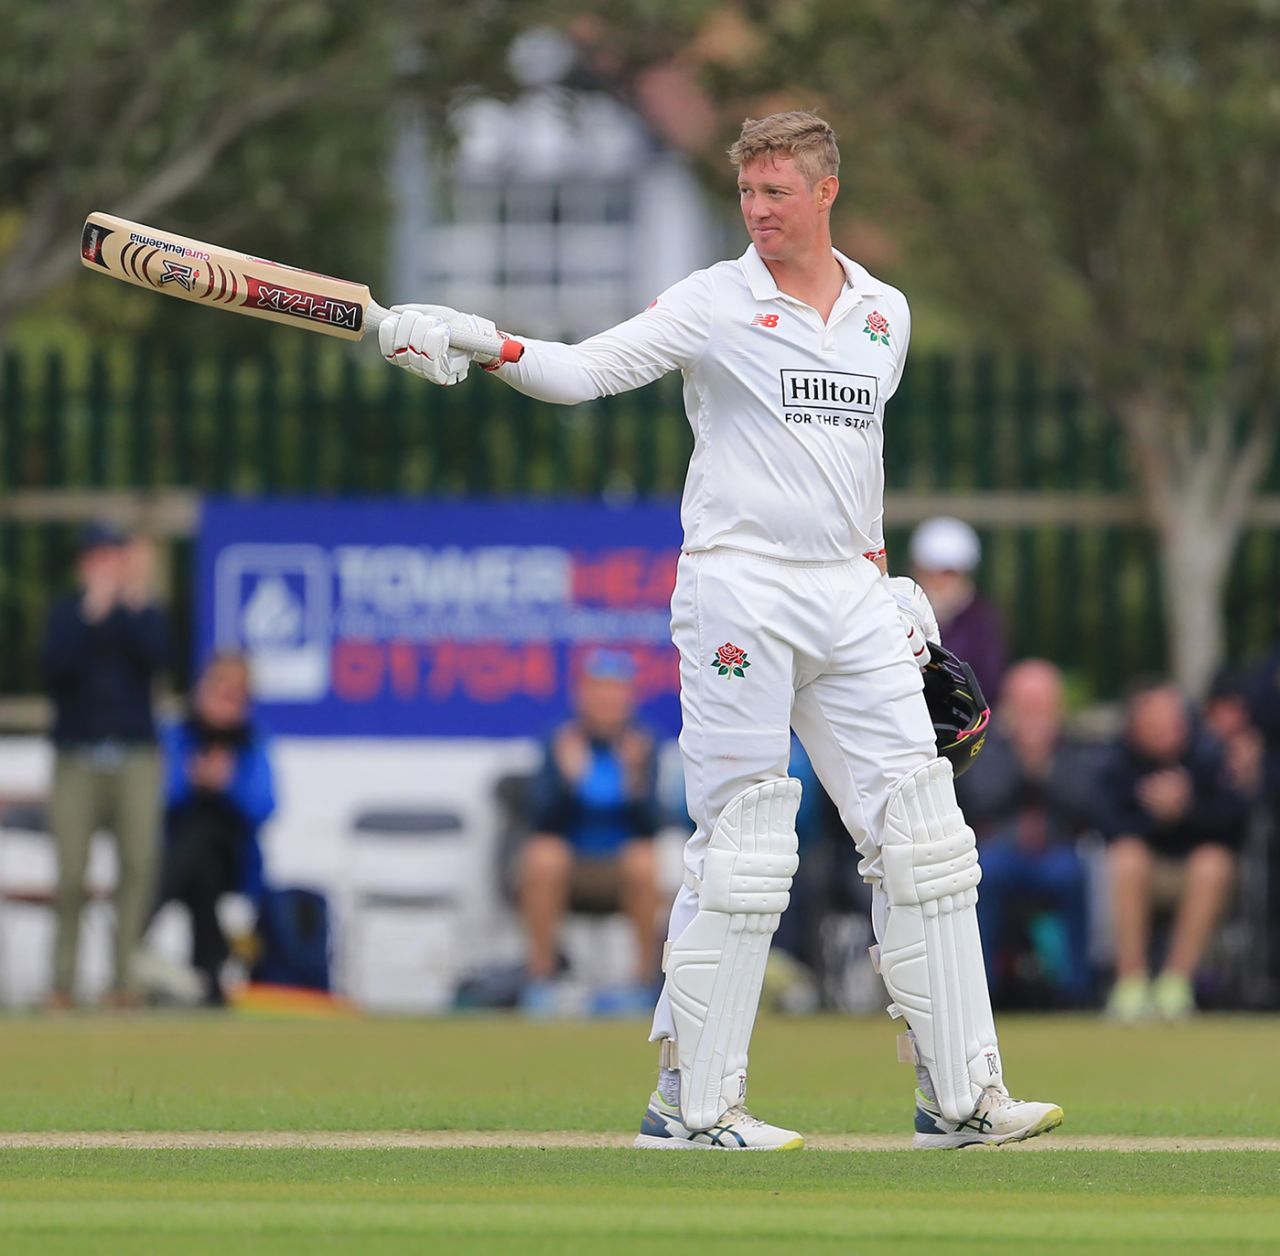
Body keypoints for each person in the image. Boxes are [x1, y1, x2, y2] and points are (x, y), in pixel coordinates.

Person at [377, 111, 1060, 1150]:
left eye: (776, 193)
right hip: (738, 589)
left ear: (825, 190)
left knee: (924, 838)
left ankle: (958, 1098)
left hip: (847, 591)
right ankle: (691, 1105)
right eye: (747, 194)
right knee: (742, 843)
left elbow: (848, 466)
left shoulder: (884, 313)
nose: (758, 212)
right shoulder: (714, 299)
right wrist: (485, 343)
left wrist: (887, 588)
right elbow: (582, 370)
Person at [40, 522, 168, 1008]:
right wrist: (90, 615)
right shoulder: (66, 615)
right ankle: (62, 981)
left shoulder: (143, 612)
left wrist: (132, 608)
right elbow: (55, 669)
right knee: (71, 873)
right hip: (77, 759)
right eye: (97, 557)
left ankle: (124, 980)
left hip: (133, 755)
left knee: (137, 867)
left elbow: (158, 659)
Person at [1096, 680, 1250, 1020]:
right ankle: (1130, 984)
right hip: (1142, 872)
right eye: (1155, 726)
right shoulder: (1117, 760)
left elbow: (1234, 821)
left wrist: (1186, 809)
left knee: (1213, 863)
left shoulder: (1209, 754)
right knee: (1127, 856)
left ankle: (1176, 984)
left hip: (1196, 875)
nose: (1167, 733)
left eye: (1173, 724)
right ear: (1136, 727)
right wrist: (1155, 812)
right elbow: (1107, 824)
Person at [518, 650, 662, 1014]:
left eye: (615, 693)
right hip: (571, 865)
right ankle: (540, 977)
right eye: (598, 692)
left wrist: (635, 782)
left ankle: (644, 982)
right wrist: (568, 780)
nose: (606, 702)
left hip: (619, 869)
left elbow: (653, 825)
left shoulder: (642, 745)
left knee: (644, 860)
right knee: (542, 857)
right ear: (582, 695)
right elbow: (539, 819)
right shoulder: (560, 741)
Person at [956, 660, 1096, 1006]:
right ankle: (980, 990)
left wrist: (1044, 768)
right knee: (983, 875)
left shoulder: (1075, 749)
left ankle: (1076, 990)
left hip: (1056, 850)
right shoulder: (986, 745)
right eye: (1026, 706)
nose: (1034, 716)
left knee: (1074, 875)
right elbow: (981, 801)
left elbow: (1085, 805)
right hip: (1001, 849)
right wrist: (1023, 761)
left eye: (1042, 706)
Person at [154, 653, 276, 1005]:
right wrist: (192, 781)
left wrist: (228, 784)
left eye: (235, 696)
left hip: (233, 862)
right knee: (198, 851)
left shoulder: (252, 742)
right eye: (220, 692)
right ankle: (209, 976)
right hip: (181, 860)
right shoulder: (178, 736)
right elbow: (159, 799)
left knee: (203, 842)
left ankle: (135, 935)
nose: (226, 703)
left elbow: (265, 806)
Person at [909, 516, 1007, 698]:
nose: (938, 582)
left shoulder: (981, 622)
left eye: (947, 573)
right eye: (930, 572)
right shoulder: (899, 616)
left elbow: (989, 682)